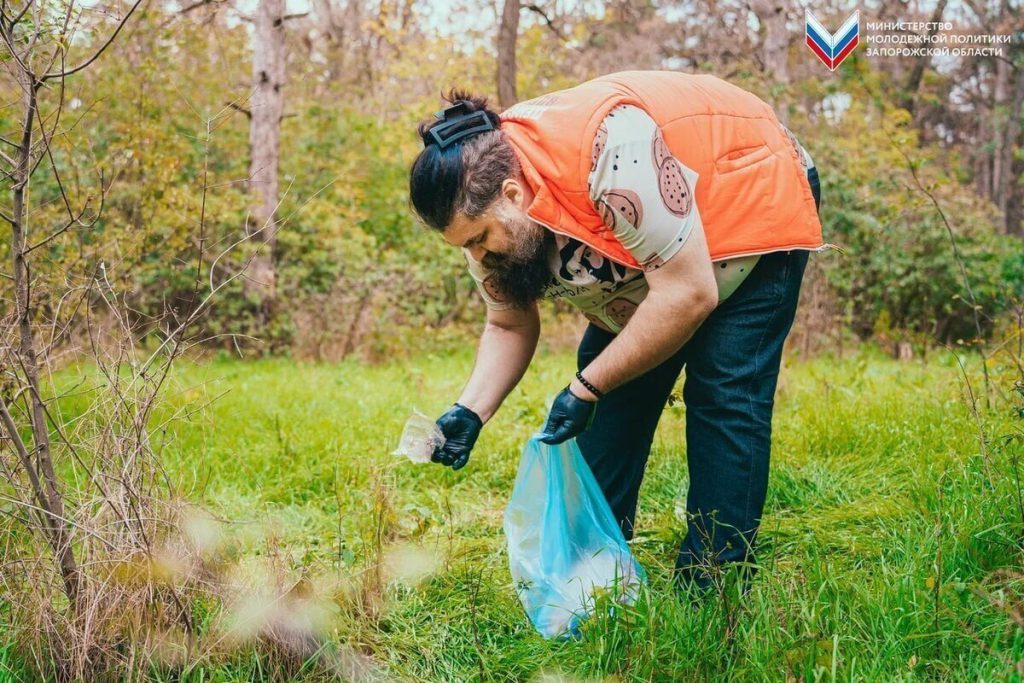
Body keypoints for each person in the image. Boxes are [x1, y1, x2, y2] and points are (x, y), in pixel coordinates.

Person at [408, 70, 825, 592]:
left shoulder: (613, 153)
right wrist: (471, 409)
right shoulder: (486, 212)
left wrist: (586, 386)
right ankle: (598, 578)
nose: (477, 257)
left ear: (514, 194)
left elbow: (687, 294)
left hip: (750, 190)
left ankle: (712, 589)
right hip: (655, 256)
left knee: (724, 390)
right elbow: (508, 320)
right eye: (463, 246)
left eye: (479, 239)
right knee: (608, 406)